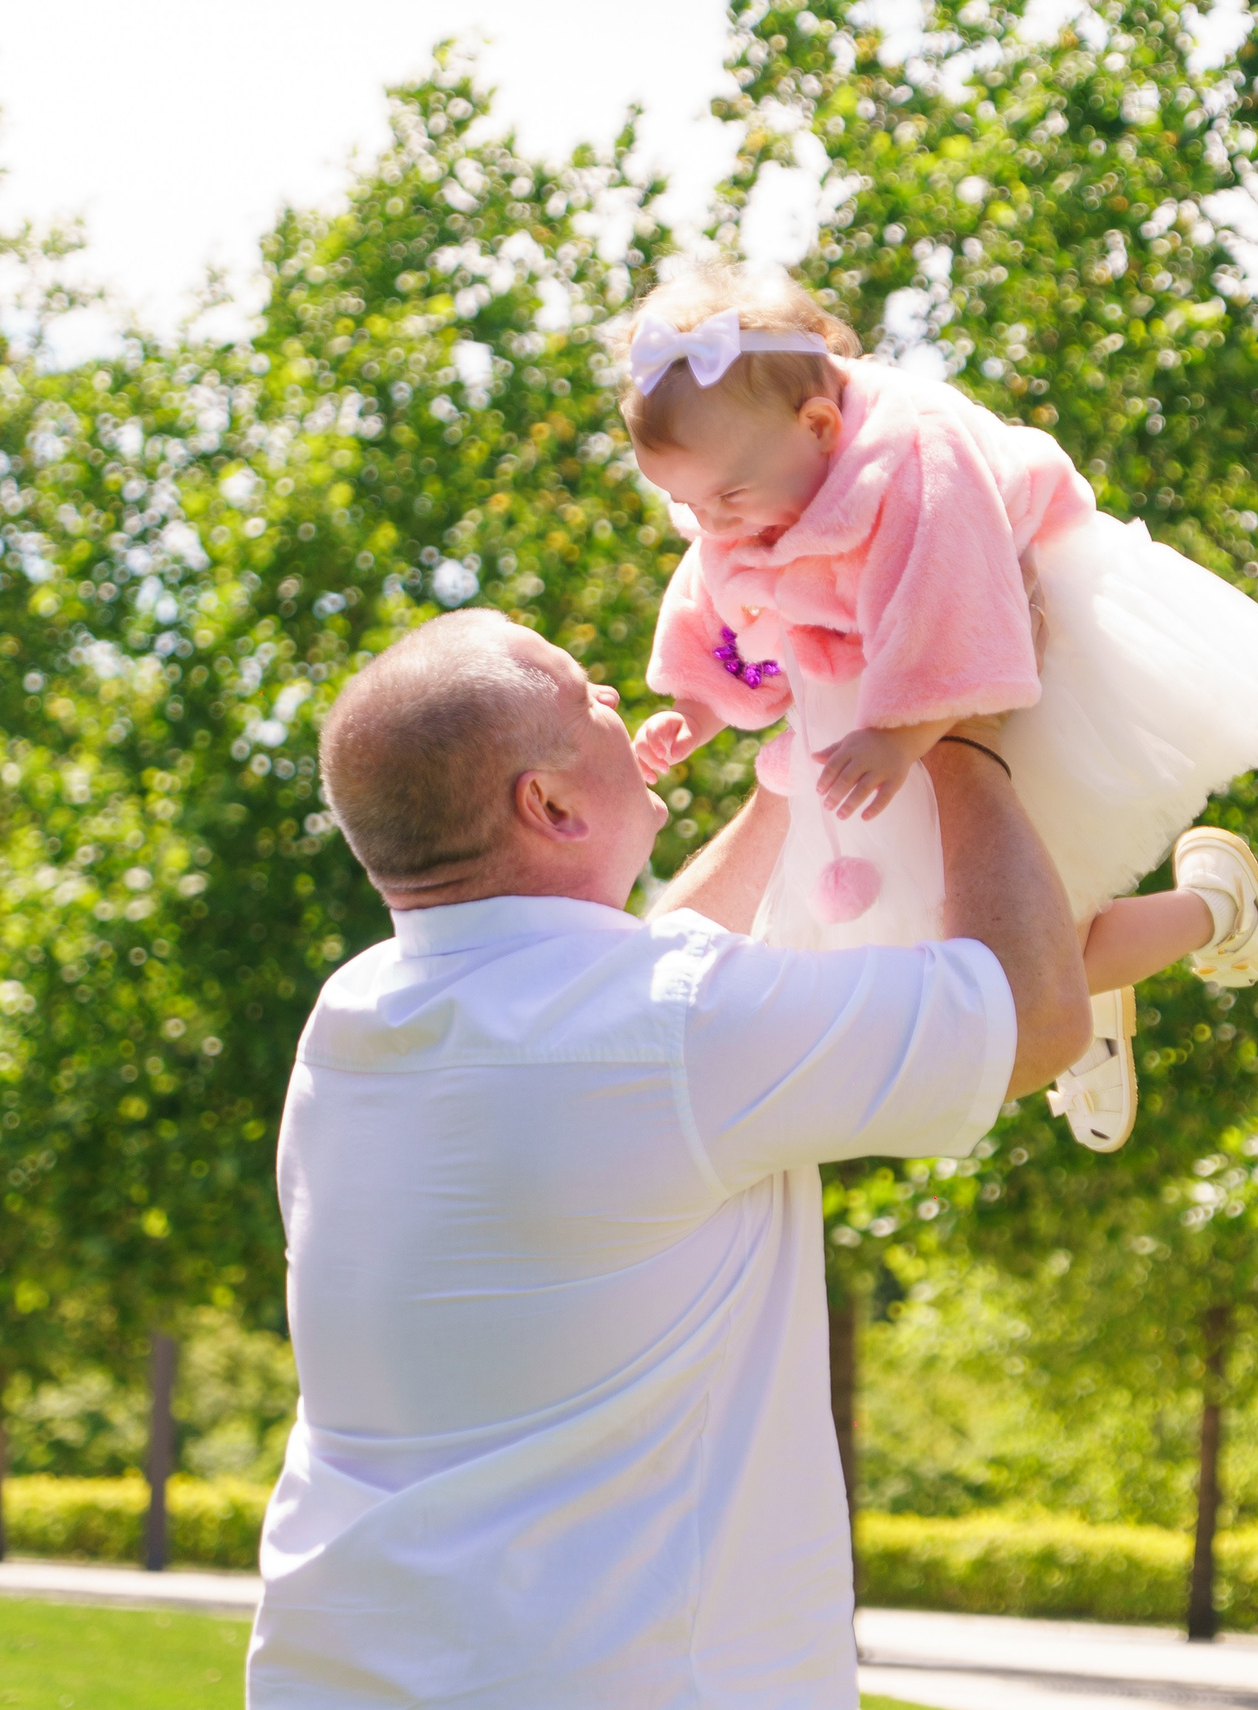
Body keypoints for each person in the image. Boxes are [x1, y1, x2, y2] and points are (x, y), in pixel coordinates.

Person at [246, 608, 1094, 1708]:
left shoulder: (355, 1014)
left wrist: (787, 791)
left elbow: (646, 997)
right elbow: (1031, 1017)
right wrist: (964, 733)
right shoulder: (669, 1031)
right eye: (576, 693)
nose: (610, 698)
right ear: (546, 804)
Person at [621, 265, 1258, 1150]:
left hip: (1006, 656)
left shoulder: (917, 454)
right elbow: (722, 598)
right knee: (940, 955)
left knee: (1005, 940)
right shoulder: (747, 492)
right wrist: (704, 703)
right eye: (683, 503)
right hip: (880, 696)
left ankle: (1216, 908)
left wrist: (904, 733)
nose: (711, 523)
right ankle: (1084, 1003)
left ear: (819, 424)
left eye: (725, 497)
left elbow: (954, 605)